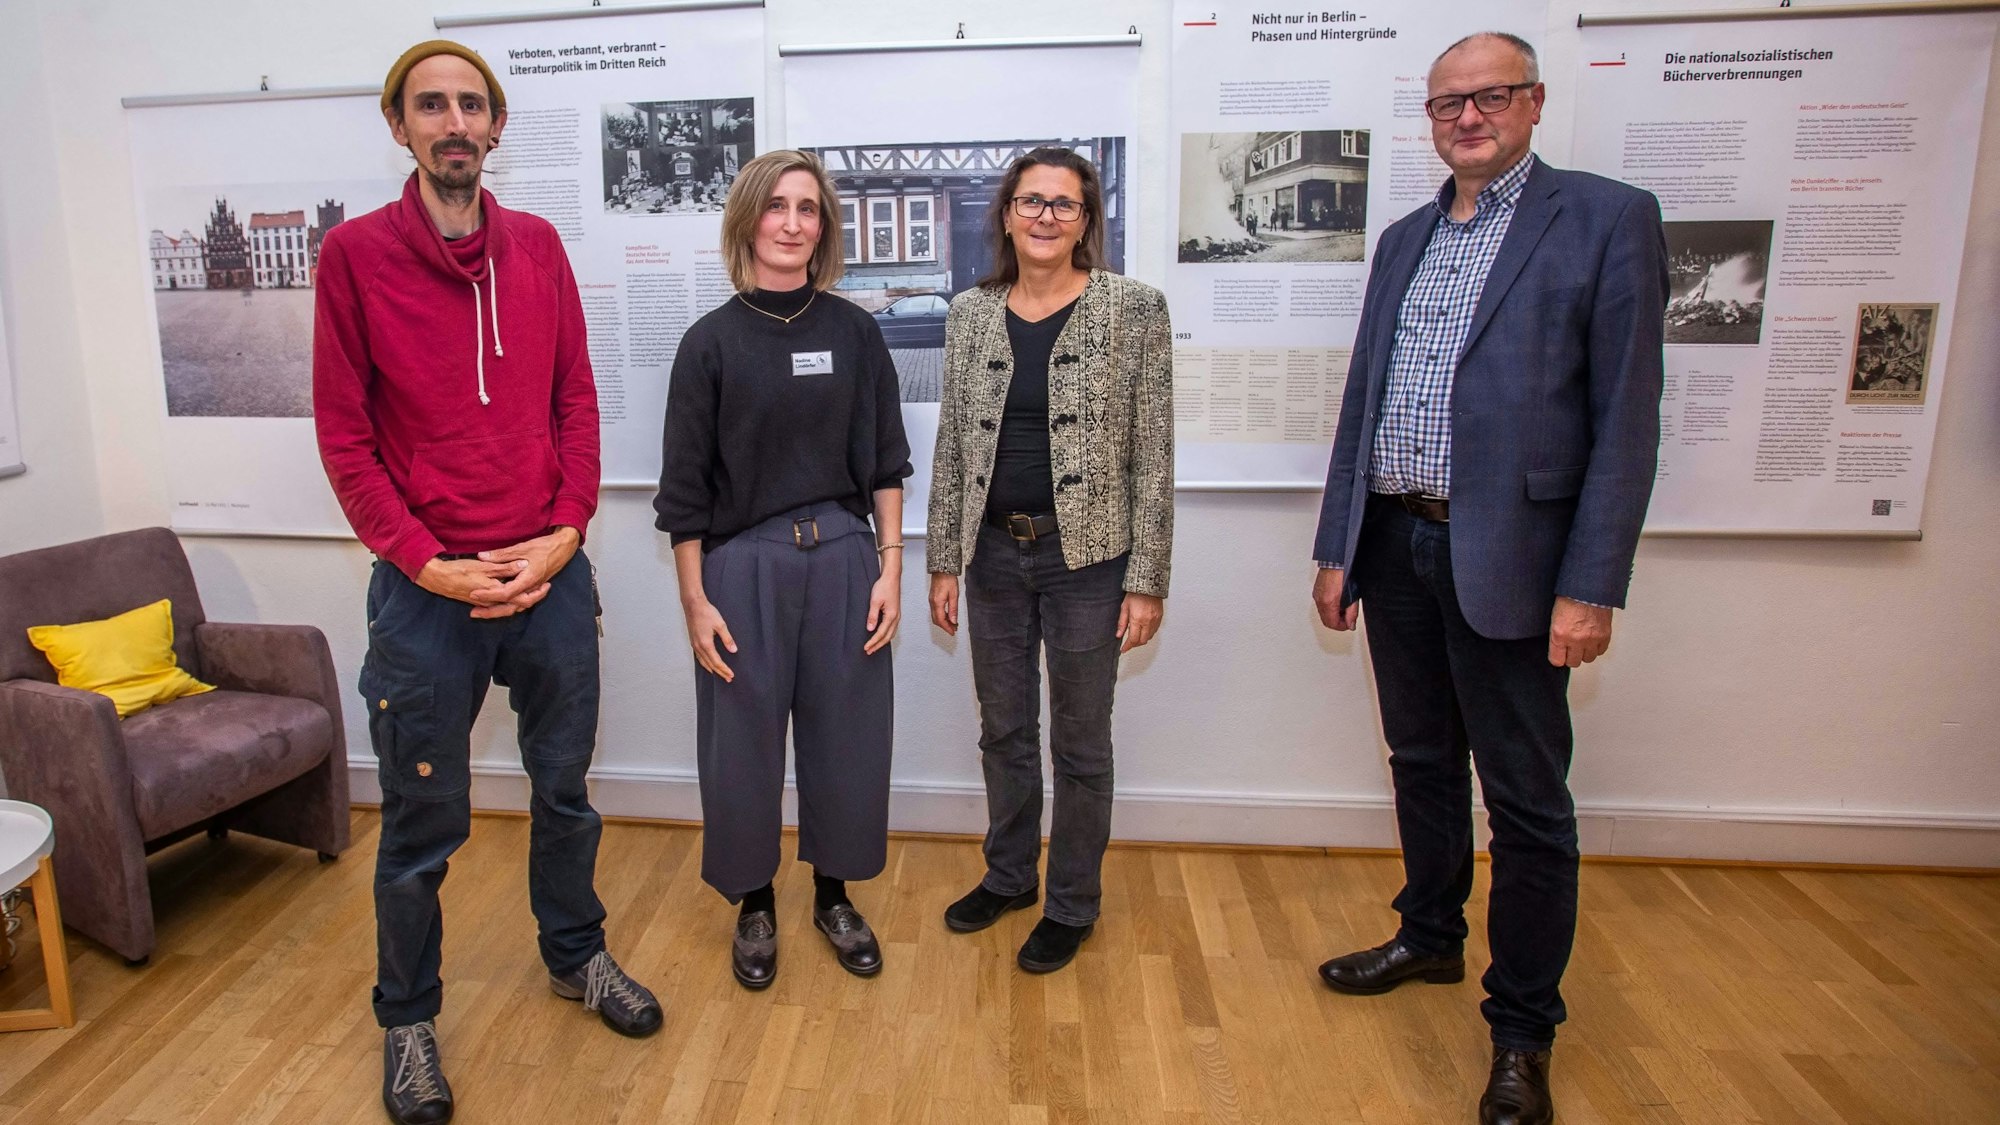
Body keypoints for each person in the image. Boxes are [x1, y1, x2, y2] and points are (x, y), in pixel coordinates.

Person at [1308, 32, 1666, 1125]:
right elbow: (1363, 397)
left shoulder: (1604, 218)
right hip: (1396, 545)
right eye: (1446, 103)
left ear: (1532, 102)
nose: (1466, 116)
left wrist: (1590, 581)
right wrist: (1337, 542)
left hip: (1511, 559)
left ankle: (1519, 1026)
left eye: (1489, 96)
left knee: (1523, 803)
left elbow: (1625, 422)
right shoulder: (1405, 239)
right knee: (1417, 760)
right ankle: (1425, 935)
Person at [313, 40, 664, 1125]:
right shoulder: (354, 257)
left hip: (547, 576)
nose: (454, 121)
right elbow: (344, 435)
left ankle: (575, 955)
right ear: (399, 124)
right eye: (432, 105)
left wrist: (562, 537)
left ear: (495, 126)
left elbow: (576, 403)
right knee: (422, 821)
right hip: (426, 594)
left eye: (471, 104)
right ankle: (408, 1022)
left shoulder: (541, 248)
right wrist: (426, 562)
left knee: (563, 795)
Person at [654, 149, 911, 993]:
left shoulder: (854, 331)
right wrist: (695, 601)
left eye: (808, 208)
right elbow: (684, 496)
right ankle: (755, 902)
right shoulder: (710, 343)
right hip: (742, 569)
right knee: (742, 749)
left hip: (844, 558)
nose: (793, 222)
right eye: (777, 207)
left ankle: (833, 895)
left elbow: (884, 462)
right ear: (748, 220)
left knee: (849, 739)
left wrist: (891, 567)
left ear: (823, 227)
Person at [927, 147, 1175, 974]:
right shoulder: (970, 312)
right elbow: (953, 444)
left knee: (1081, 740)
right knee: (1003, 731)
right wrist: (941, 556)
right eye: (1030, 201)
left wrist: (1147, 579)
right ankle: (1008, 877)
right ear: (1005, 214)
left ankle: (1071, 902)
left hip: (1090, 561)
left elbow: (1155, 453)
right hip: (993, 554)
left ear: (1086, 221)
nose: (1045, 217)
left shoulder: (1133, 310)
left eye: (1064, 205)